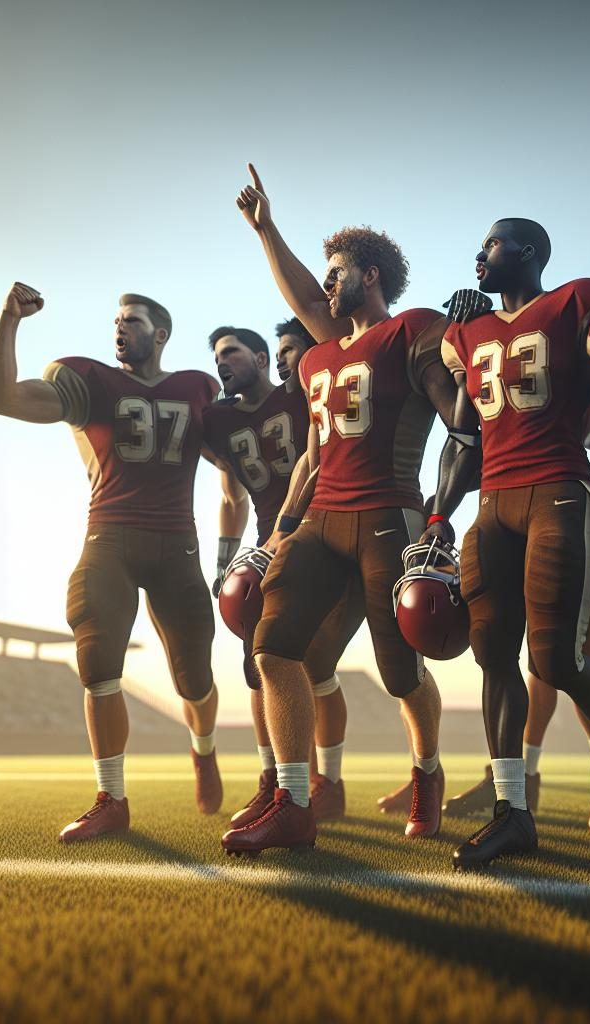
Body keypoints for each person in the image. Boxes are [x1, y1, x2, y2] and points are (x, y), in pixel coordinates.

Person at [221, 165, 475, 854]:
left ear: (368, 277)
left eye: (337, 273)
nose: (325, 286)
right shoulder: (318, 359)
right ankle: (296, 801)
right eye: (324, 275)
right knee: (272, 650)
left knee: (400, 672)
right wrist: (279, 531)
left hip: (385, 519)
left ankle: (427, 773)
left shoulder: (413, 331)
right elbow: (309, 454)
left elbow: (460, 412)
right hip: (320, 519)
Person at [434, 217, 590, 869]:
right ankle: (512, 812)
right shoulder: (467, 330)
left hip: (558, 489)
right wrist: (441, 515)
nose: (479, 255)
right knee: (492, 654)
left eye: (492, 245)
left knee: (556, 659)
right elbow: (462, 430)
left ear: (528, 253)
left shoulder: (577, 301)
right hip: (494, 500)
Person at [0, 284, 225, 841]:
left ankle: (204, 748)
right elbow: (5, 398)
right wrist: (8, 322)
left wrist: (234, 545)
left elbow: (236, 468)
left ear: (161, 333)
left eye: (132, 319)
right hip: (110, 537)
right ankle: (111, 797)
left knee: (193, 679)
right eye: (116, 320)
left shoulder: (199, 389)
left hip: (178, 544)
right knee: (96, 658)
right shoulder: (88, 380)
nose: (119, 327)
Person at [202, 324, 352, 825]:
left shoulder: (301, 390)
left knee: (315, 663)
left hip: (320, 529)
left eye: (231, 353)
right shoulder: (220, 422)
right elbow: (230, 495)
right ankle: (274, 781)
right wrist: (226, 559)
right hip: (269, 542)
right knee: (258, 665)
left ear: (263, 359)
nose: (222, 362)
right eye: (216, 356)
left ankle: (326, 780)